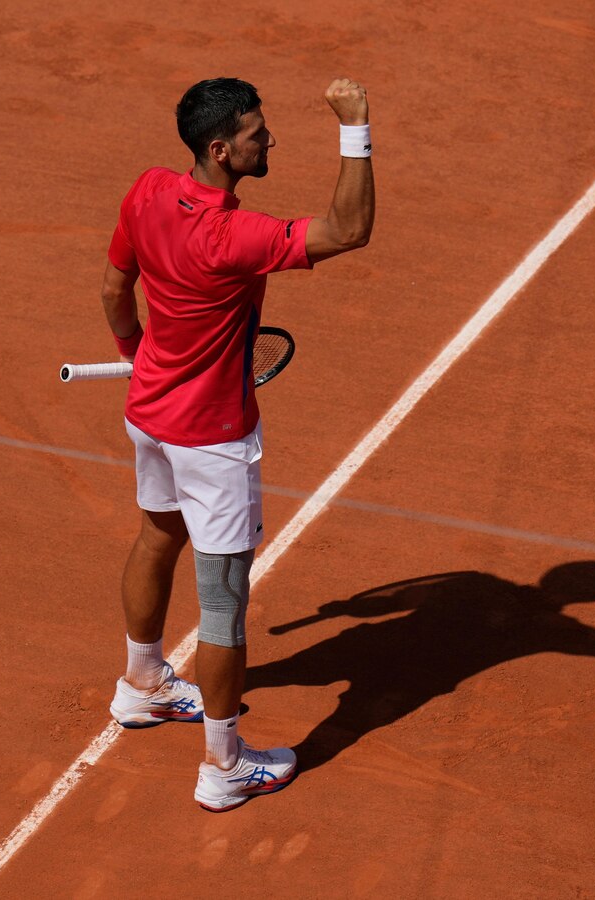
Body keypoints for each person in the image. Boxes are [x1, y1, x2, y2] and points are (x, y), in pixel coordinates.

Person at [98, 76, 376, 811]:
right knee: (221, 607)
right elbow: (349, 229)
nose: (270, 140)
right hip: (214, 443)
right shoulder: (234, 238)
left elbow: (111, 290)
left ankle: (144, 685)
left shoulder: (148, 190)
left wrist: (133, 351)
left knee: (158, 535)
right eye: (257, 134)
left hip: (149, 412)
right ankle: (224, 766)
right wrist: (355, 128)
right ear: (221, 150)